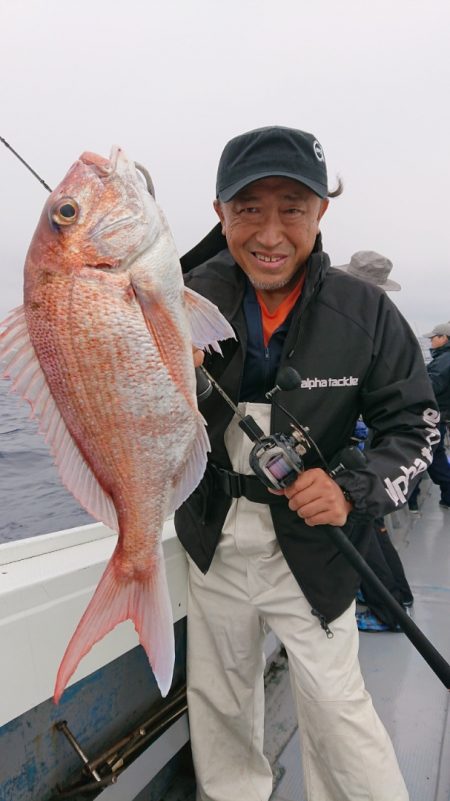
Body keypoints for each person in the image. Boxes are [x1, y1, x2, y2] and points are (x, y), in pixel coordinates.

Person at [175, 125, 439, 801]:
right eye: (248, 209)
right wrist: (164, 370)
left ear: (322, 210)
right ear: (218, 214)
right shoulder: (180, 299)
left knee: (337, 708)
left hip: (317, 549)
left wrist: (354, 490)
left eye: (292, 207)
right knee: (220, 704)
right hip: (212, 543)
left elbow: (415, 425)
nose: (270, 232)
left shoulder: (366, 311)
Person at [337, 251, 414, 632]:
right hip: (373, 454)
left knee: (367, 532)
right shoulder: (381, 324)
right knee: (374, 529)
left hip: (358, 458)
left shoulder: (362, 327)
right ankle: (399, 598)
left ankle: (392, 610)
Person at [408, 322, 450, 512]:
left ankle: (412, 501)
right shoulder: (444, 358)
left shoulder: (444, 360)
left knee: (421, 458)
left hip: (431, 417)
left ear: (444, 338)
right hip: (438, 417)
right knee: (435, 455)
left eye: (434, 338)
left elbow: (430, 386)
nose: (431, 342)